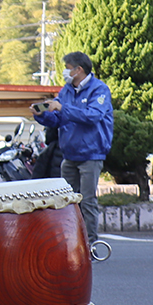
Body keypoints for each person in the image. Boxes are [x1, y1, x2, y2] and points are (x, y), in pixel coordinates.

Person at [32, 52, 113, 243]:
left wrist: (62, 108)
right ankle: (70, 242)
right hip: (69, 154)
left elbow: (92, 116)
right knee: (67, 201)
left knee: (87, 200)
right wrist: (41, 114)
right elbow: (57, 119)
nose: (65, 72)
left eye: (67, 68)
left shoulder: (99, 90)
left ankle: (90, 243)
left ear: (79, 70)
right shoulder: (66, 91)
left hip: (91, 154)